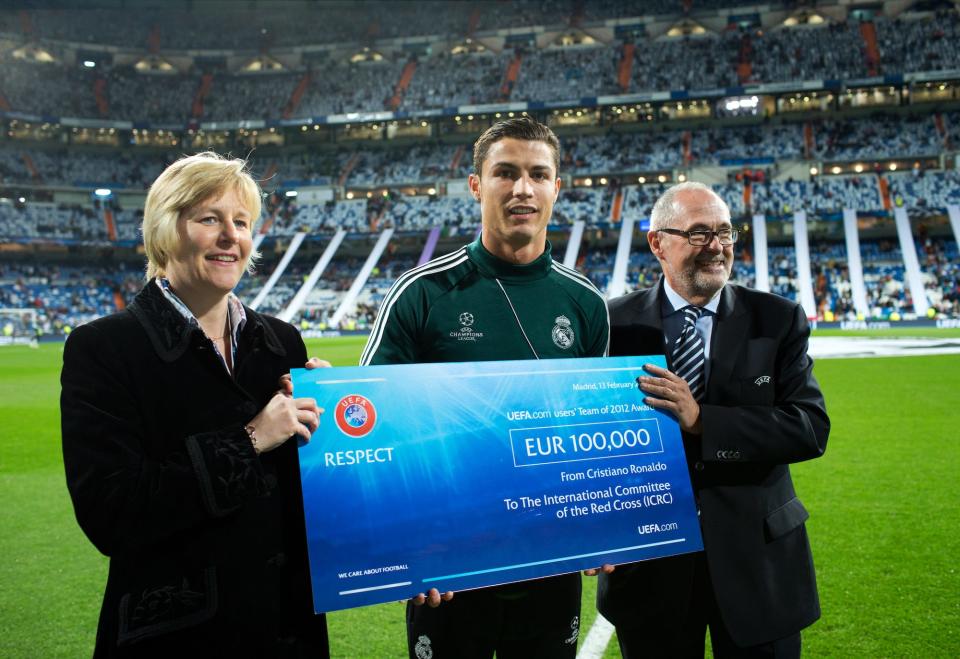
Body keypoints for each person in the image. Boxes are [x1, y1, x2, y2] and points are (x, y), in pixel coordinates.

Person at [60, 152, 330, 658]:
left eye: (242, 222)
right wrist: (250, 440)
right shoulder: (103, 349)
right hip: (177, 635)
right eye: (210, 219)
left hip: (287, 628)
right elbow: (111, 513)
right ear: (166, 231)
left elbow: (308, 500)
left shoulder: (283, 343)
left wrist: (333, 424)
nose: (231, 235)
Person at [360, 116, 610, 659]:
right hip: (448, 569)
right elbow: (373, 430)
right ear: (477, 185)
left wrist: (603, 524)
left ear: (556, 188)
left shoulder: (584, 303)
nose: (523, 188)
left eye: (538, 174)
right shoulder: (420, 294)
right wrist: (409, 546)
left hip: (549, 566)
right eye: (506, 172)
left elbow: (592, 430)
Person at [597, 181, 830, 658]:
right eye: (699, 234)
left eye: (725, 232)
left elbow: (809, 427)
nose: (717, 247)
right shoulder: (611, 323)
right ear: (657, 242)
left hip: (759, 569)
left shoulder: (777, 319)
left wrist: (704, 420)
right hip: (650, 568)